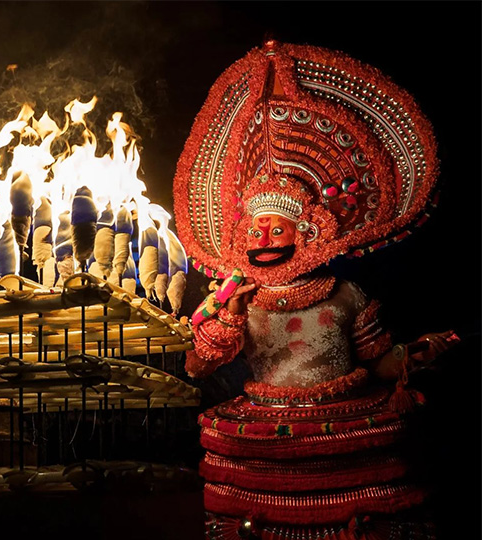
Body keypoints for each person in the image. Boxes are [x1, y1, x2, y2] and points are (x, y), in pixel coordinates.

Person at [174, 40, 455, 538]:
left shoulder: (345, 293)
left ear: (308, 232)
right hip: (266, 431)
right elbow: (199, 365)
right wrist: (231, 316)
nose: (264, 241)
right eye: (256, 231)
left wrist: (414, 356)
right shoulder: (234, 294)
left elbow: (378, 362)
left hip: (347, 425)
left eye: (277, 230)